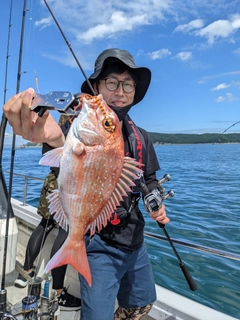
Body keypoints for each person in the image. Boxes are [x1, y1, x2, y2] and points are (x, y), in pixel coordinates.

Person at [3, 48, 170, 320]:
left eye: (128, 84)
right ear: (97, 87)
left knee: (143, 303)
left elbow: (149, 179)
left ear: (134, 92)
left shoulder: (142, 136)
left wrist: (155, 200)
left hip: (135, 240)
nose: (121, 90)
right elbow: (62, 144)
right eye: (112, 82)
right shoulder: (78, 121)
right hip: (99, 242)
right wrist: (52, 138)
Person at [14, 119, 81, 312]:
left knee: (45, 224)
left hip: (51, 180)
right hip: (68, 183)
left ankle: (25, 272)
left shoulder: (56, 127)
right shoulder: (78, 126)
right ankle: (59, 292)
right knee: (65, 231)